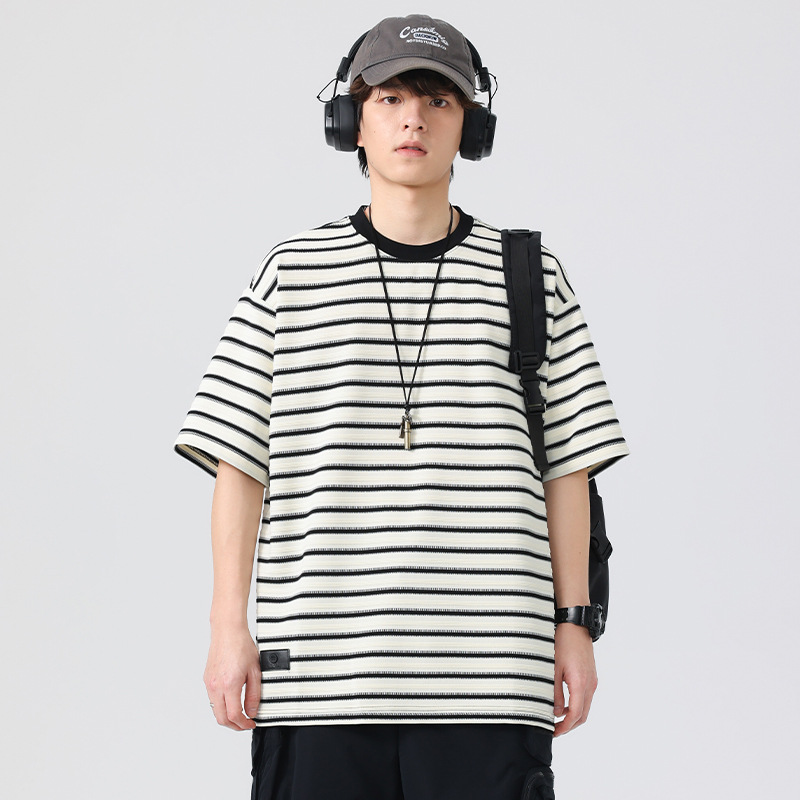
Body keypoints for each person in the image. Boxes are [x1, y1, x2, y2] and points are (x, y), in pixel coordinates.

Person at [173, 13, 629, 800]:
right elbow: (238, 463)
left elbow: (569, 469)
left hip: (491, 680)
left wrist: (575, 628)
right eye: (389, 99)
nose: (413, 118)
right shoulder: (292, 273)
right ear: (350, 123)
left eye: (438, 100)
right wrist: (226, 629)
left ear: (471, 128)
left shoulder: (530, 275)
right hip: (319, 680)